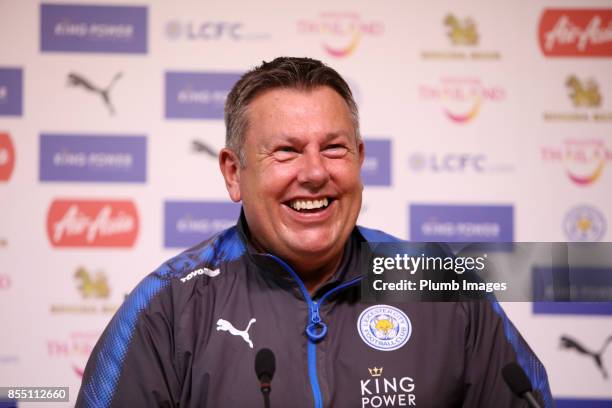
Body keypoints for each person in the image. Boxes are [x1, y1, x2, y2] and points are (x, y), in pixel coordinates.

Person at [76, 57, 552, 407]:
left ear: (360, 160)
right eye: (285, 151)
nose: (314, 173)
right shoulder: (168, 306)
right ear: (233, 173)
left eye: (335, 148)